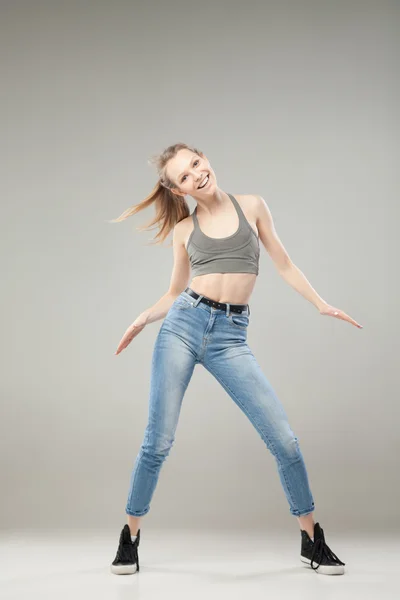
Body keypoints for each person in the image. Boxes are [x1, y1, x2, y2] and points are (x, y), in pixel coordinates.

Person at [109, 142, 362, 577]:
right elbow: (174, 294)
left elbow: (283, 264)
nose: (196, 175)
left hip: (230, 336)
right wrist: (143, 317)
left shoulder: (252, 206)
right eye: (184, 177)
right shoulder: (185, 231)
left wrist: (320, 303)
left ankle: (311, 539)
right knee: (159, 440)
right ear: (178, 191)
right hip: (184, 327)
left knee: (283, 439)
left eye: (195, 163)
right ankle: (129, 536)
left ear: (204, 158)